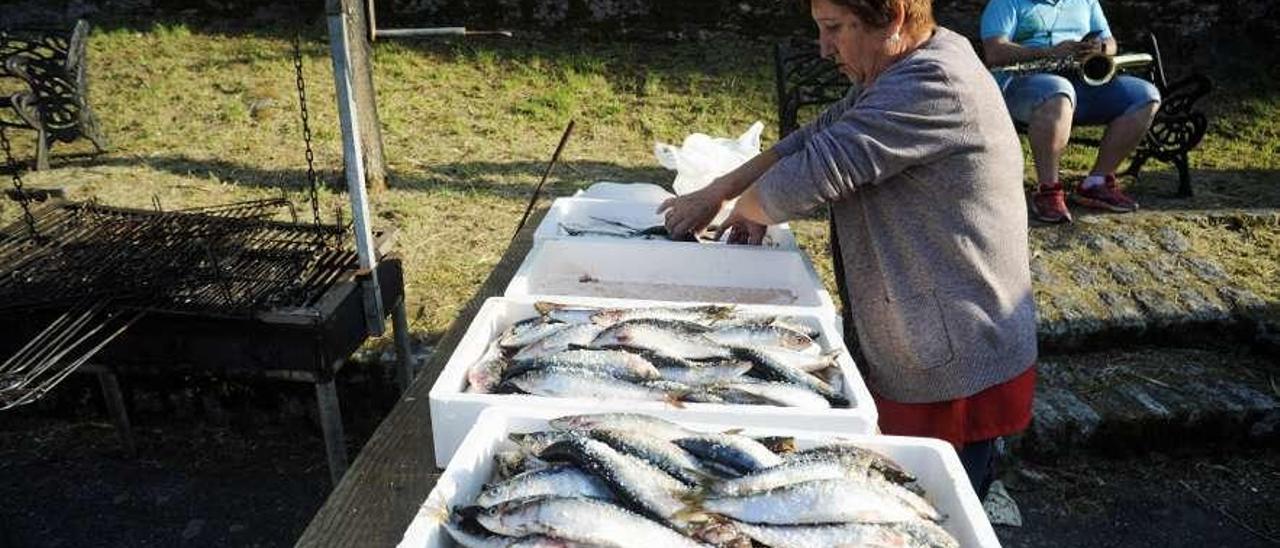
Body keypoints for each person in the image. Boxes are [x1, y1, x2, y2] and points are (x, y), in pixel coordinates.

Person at [659, 0, 1038, 499]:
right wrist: (720, 190)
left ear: (896, 17)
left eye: (835, 29)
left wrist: (748, 207)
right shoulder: (911, 62)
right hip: (924, 329)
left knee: (931, 498)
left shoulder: (935, 82)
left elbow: (818, 171)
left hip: (953, 348)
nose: (823, 48)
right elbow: (813, 135)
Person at [981, 0, 1161, 223]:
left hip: (1079, 82)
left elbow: (1110, 41)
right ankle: (1048, 190)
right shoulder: (1005, 3)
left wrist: (1101, 48)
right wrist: (1048, 52)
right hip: (1023, 84)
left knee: (1145, 95)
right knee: (1059, 91)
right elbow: (994, 51)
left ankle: (1096, 183)